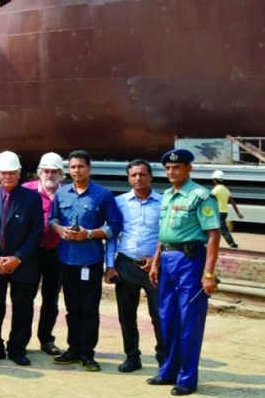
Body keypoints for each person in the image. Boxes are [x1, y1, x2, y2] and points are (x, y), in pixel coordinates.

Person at [146, 149, 221, 396]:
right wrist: (156, 262)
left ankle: (187, 379)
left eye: (176, 167)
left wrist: (208, 274)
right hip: (167, 259)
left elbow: (213, 234)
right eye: (167, 168)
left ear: (189, 168)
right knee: (167, 318)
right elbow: (162, 234)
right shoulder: (167, 196)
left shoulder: (201, 196)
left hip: (190, 261)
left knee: (189, 320)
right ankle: (168, 371)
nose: (171, 171)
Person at [48, 149, 122, 372]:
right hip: (66, 260)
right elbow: (52, 219)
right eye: (72, 167)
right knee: (72, 308)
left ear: (89, 168)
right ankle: (73, 349)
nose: (76, 171)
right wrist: (60, 229)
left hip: (90, 261)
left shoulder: (102, 195)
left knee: (90, 308)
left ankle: (87, 353)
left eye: (80, 166)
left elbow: (115, 226)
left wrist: (89, 234)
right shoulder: (62, 194)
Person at [0, 151, 44, 366]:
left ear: (19, 173)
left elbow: (36, 233)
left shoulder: (32, 198)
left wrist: (18, 258)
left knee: (22, 308)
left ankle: (17, 349)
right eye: (4, 173)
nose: (8, 176)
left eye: (12, 173)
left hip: (22, 264)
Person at [105, 159, 165, 373]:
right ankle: (132, 356)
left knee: (160, 315)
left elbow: (168, 234)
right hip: (126, 264)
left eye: (142, 174)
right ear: (128, 178)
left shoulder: (164, 201)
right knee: (126, 314)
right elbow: (112, 235)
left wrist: (157, 259)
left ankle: (163, 359)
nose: (138, 179)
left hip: (155, 267)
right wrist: (110, 265)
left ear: (151, 176)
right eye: (133, 175)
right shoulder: (119, 202)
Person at [22, 151, 64, 356]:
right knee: (25, 297)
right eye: (46, 170)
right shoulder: (26, 191)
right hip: (31, 253)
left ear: (61, 174)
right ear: (40, 172)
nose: (50, 174)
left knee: (51, 299)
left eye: (54, 171)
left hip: (56, 254)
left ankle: (46, 339)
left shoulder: (67, 193)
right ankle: (21, 340)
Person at [211, 170, 243, 249]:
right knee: (214, 228)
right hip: (224, 212)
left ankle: (232, 244)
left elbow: (209, 200)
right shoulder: (226, 190)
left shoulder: (215, 190)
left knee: (222, 229)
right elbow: (232, 202)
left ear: (215, 179)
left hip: (218, 212)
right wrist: (238, 213)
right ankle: (209, 243)